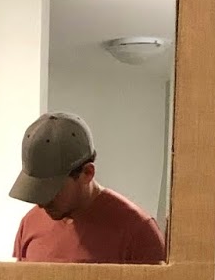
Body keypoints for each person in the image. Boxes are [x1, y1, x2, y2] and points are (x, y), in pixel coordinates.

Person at [10, 112, 166, 264]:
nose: (42, 203)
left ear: (87, 173)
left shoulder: (138, 232)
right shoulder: (29, 223)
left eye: (51, 189)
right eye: (36, 189)